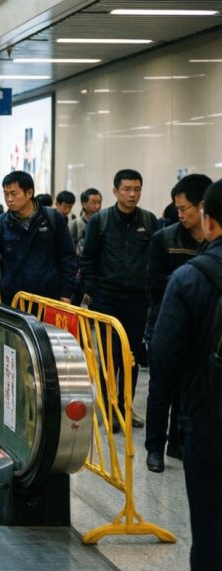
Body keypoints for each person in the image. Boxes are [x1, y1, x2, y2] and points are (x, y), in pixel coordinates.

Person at [151, 178, 222, 570]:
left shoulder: (191, 277)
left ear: (209, 222)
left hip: (208, 420)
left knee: (210, 529)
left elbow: (163, 356)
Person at [81, 169, 158, 428]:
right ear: (115, 191)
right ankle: (108, 409)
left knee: (131, 359)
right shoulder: (100, 221)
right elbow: (88, 258)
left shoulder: (148, 221)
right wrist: (93, 291)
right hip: (107, 301)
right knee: (109, 359)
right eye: (126, 189)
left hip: (137, 302)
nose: (132, 194)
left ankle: (126, 409)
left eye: (136, 189)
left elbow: (153, 259)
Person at [144, 174, 211, 472]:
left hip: (200, 330)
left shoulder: (213, 240)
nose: (180, 214)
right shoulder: (164, 238)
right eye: (177, 209)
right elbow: (153, 283)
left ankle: (177, 443)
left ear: (203, 206)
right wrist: (190, 282)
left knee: (188, 389)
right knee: (160, 390)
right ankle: (154, 448)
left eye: (185, 209)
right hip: (165, 325)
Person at [0, 171, 76, 305]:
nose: (9, 199)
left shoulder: (52, 218)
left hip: (48, 299)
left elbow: (67, 256)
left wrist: (66, 293)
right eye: (6, 194)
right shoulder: (1, 224)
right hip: (14, 300)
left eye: (14, 193)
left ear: (29, 193)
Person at [69, 188, 102, 305]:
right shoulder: (75, 224)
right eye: (93, 202)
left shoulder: (103, 223)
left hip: (97, 274)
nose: (97, 206)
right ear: (84, 204)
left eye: (99, 202)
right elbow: (69, 251)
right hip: (78, 275)